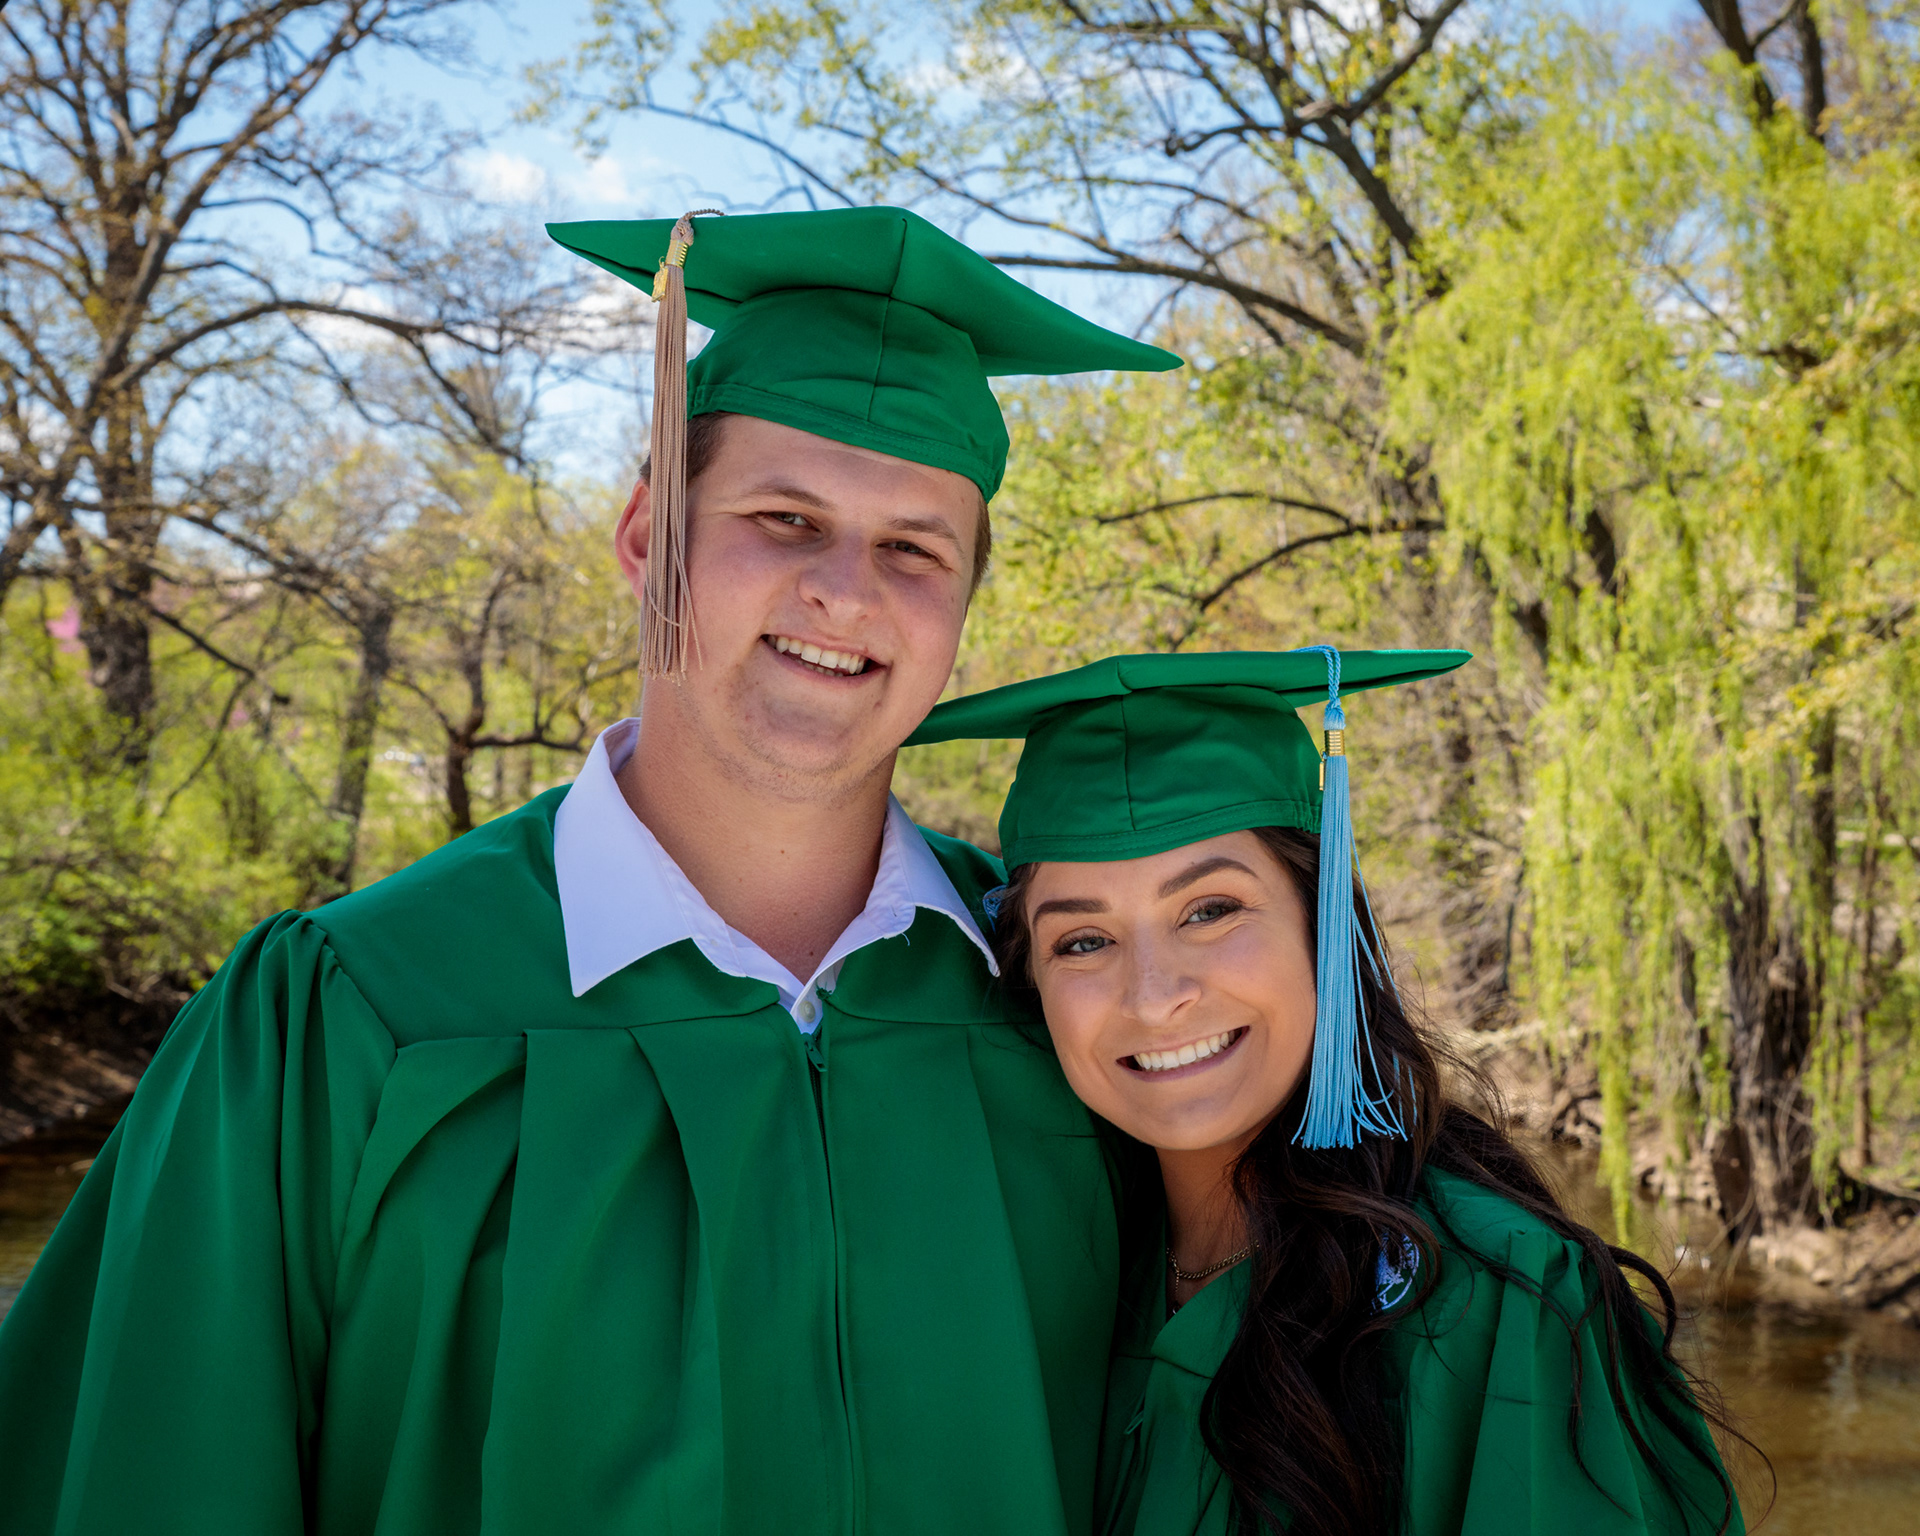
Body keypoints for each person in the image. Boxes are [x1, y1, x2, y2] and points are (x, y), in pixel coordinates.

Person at [0, 208, 1181, 1535]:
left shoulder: (1073, 983)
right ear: (644, 537)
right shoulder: (351, 1014)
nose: (846, 591)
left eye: (915, 548)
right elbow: (155, 1475)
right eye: (784, 518)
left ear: (961, 605)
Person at [906, 647, 1748, 1536]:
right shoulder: (1056, 1280)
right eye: (1082, 941)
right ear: (1031, 981)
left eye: (1210, 910)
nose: (1153, 997)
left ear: (1326, 923)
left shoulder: (1494, 1306)